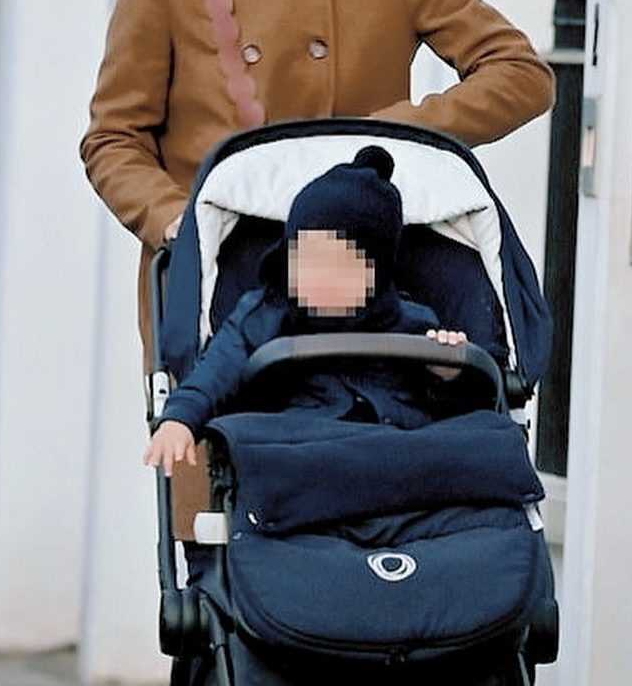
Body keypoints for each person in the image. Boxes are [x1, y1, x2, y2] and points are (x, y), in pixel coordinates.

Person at [79, 0, 556, 369]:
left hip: (365, 280)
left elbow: (520, 74)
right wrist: (175, 221)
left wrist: (390, 135)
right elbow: (114, 138)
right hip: (223, 281)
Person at [144, 146, 470, 474]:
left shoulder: (413, 324)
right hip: (304, 459)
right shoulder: (262, 316)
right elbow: (214, 374)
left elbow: (450, 406)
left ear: (376, 273)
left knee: (479, 435)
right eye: (304, 260)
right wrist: (180, 418)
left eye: (339, 264)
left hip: (400, 460)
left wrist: (450, 372)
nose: (317, 276)